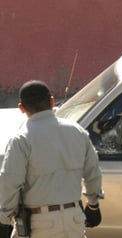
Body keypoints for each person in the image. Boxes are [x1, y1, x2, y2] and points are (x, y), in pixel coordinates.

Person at [0, 80, 104, 238]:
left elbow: (10, 182)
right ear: (52, 101)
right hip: (74, 219)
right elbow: (93, 172)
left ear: (21, 108)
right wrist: (93, 205)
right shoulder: (77, 131)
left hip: (38, 223)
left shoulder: (21, 139)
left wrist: (4, 219)